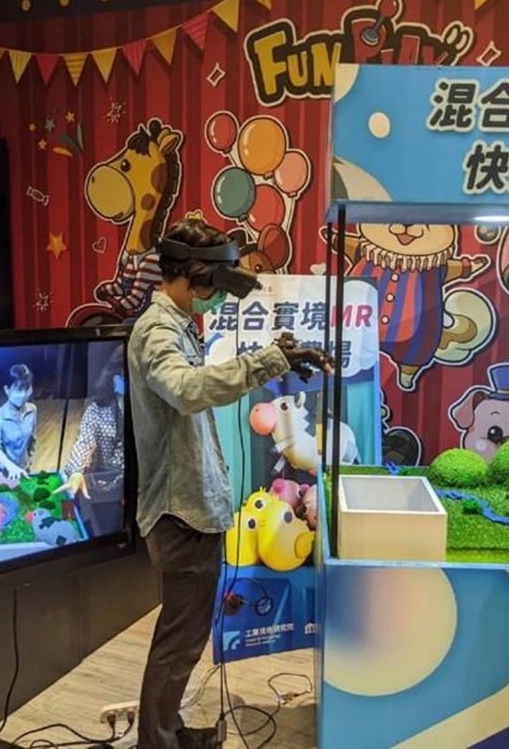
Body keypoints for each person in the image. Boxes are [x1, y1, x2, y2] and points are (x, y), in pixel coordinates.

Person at [128, 217, 333, 749]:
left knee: (186, 637)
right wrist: (267, 361)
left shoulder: (178, 323)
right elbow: (186, 389)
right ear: (193, 276)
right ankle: (157, 742)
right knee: (178, 642)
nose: (219, 298)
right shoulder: (157, 331)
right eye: (216, 285)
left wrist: (277, 358)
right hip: (180, 516)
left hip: (194, 508)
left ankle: (167, 732)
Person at [56, 346, 126, 528]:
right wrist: (77, 470)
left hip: (139, 485)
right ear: (113, 376)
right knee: (70, 481)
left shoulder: (148, 409)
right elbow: (85, 441)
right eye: (122, 376)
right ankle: (69, 528)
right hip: (103, 481)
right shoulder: (97, 409)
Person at [0, 363, 37, 482]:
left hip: (23, 470)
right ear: (7, 390)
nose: (23, 394)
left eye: (27, 388)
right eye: (19, 389)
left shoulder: (32, 410)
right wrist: (10, 467)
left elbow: (32, 439)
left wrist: (28, 462)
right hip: (0, 474)